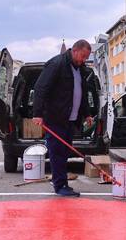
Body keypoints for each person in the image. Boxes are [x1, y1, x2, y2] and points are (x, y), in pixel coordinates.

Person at [32, 39, 94, 197]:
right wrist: (37, 113)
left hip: (70, 119)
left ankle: (62, 182)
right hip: (55, 118)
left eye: (86, 57)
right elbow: (40, 88)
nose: (84, 60)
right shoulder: (57, 64)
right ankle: (60, 186)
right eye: (83, 56)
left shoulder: (80, 69)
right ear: (74, 51)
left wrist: (86, 113)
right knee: (57, 152)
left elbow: (81, 93)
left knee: (64, 152)